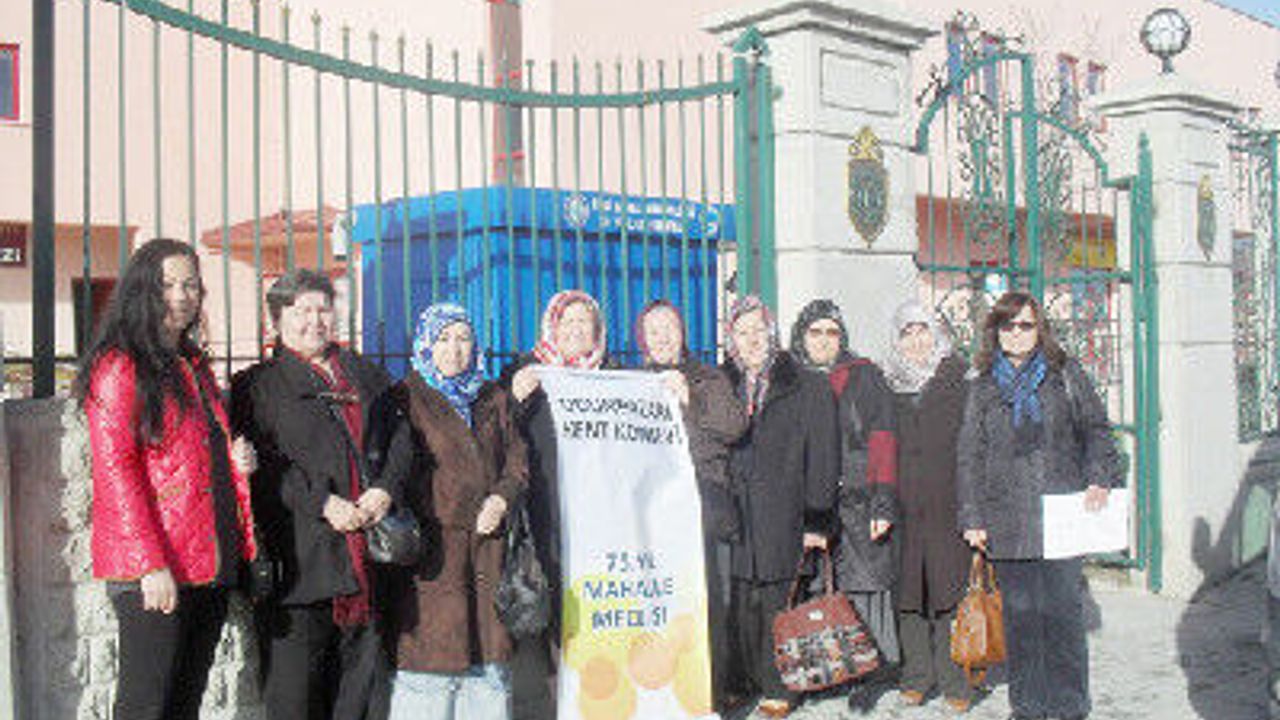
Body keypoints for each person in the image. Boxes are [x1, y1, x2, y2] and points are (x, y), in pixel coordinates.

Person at [78, 238, 259, 720]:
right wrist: (149, 565)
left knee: (184, 703)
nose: (181, 296)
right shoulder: (119, 366)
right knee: (145, 705)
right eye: (168, 285)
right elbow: (116, 469)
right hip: (157, 568)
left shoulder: (192, 365)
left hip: (206, 560)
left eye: (190, 285)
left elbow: (193, 452)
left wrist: (235, 462)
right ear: (143, 290)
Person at [231, 269, 413, 720]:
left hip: (366, 561)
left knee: (360, 699)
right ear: (276, 319)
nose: (315, 320)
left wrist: (384, 489)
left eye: (324, 309)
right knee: (295, 700)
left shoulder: (364, 374)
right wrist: (323, 503)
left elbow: (401, 437)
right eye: (302, 310)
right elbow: (262, 463)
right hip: (300, 566)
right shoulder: (257, 385)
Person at [956, 291, 1123, 720]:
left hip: (1061, 515)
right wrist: (972, 516)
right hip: (1006, 518)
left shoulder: (1064, 373)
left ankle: (1069, 705)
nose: (1016, 333)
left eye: (1025, 325)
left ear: (1039, 328)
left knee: (1063, 614)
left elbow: (1096, 430)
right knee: (1021, 617)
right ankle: (1028, 706)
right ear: (996, 331)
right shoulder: (982, 384)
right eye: (1007, 325)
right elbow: (970, 454)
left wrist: (1099, 476)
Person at [384, 302, 529, 720]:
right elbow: (393, 470)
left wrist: (501, 498)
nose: (454, 349)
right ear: (426, 344)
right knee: (430, 672)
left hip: (487, 554)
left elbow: (518, 462)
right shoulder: (405, 398)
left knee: (488, 668)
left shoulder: (492, 397)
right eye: (444, 339)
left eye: (463, 338)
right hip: (433, 557)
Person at [723, 295, 839, 719]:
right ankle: (743, 680)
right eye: (742, 332)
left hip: (783, 511)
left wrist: (817, 518)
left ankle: (780, 685)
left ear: (772, 332)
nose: (752, 339)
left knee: (780, 600)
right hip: (735, 512)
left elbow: (824, 456)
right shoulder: (721, 382)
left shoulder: (807, 384)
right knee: (740, 602)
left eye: (758, 330)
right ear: (731, 338)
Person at [501, 289, 613, 720]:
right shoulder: (525, 371)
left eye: (585, 322)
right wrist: (513, 397)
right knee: (553, 603)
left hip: (599, 513)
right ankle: (554, 700)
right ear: (552, 326)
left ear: (597, 330)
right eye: (568, 321)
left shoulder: (614, 375)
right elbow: (495, 430)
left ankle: (597, 696)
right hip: (544, 511)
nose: (576, 330)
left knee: (595, 602)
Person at [633, 300, 748, 713]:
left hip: (703, 502)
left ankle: (709, 695)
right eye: (653, 330)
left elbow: (734, 426)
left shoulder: (708, 377)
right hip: (652, 512)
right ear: (643, 339)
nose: (662, 337)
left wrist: (689, 399)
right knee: (659, 603)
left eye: (669, 327)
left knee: (707, 601)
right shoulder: (630, 382)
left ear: (682, 333)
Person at [789, 298, 900, 713]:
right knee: (816, 586)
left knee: (862, 584)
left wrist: (882, 503)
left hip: (857, 497)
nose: (823, 341)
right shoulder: (790, 377)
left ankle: (868, 673)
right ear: (801, 336)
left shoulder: (864, 376)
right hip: (808, 498)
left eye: (831, 333)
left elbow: (883, 441)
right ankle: (824, 670)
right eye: (815, 332)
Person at [882, 301, 973, 713]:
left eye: (923, 331)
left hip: (947, 500)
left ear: (936, 335)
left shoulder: (959, 379)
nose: (916, 341)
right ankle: (916, 675)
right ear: (897, 340)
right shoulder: (887, 383)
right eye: (908, 333)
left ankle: (955, 678)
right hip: (902, 502)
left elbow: (972, 444)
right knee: (909, 592)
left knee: (949, 588)